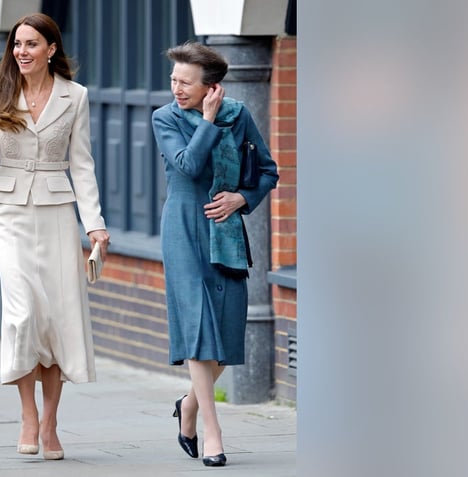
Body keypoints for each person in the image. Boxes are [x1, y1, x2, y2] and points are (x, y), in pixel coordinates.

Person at [0, 13, 110, 461]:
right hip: (11, 214)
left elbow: (81, 164)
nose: (21, 52)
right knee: (23, 315)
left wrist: (95, 223)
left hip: (58, 213)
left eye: (31, 44)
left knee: (56, 318)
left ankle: (50, 423)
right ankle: (27, 414)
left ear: (50, 49)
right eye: (17, 44)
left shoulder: (75, 96)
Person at [151, 42, 279, 467]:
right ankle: (211, 429)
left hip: (224, 230)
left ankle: (187, 405)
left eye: (185, 82)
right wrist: (206, 121)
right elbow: (187, 166)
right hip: (184, 228)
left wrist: (241, 199)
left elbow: (266, 170)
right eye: (173, 80)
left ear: (212, 87)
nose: (176, 88)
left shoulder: (239, 115)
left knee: (225, 330)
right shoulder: (165, 117)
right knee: (199, 326)